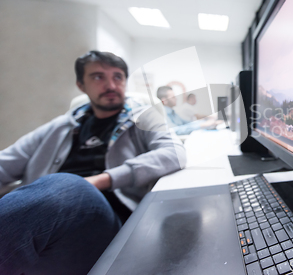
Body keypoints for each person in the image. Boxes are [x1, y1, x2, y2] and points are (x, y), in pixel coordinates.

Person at [0, 51, 186, 275]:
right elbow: (5, 163)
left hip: (107, 223)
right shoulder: (59, 126)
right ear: (81, 85)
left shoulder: (144, 118)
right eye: (98, 77)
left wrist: (101, 180)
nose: (110, 85)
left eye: (118, 77)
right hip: (47, 220)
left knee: (69, 186)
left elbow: (173, 152)